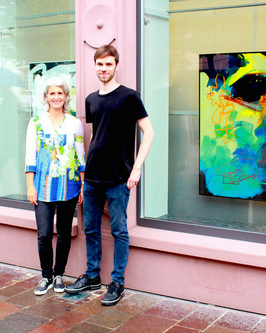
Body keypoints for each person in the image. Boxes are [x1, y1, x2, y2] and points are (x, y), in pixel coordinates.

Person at [65, 45, 154, 306]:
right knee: (90, 228)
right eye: (99, 64)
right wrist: (84, 173)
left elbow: (148, 132)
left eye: (108, 64)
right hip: (93, 177)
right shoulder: (91, 99)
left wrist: (136, 167)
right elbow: (97, 136)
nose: (103, 69)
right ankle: (93, 276)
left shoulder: (129, 97)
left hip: (119, 178)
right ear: (95, 66)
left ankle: (117, 282)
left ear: (116, 65)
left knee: (118, 230)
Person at [25, 77, 86, 296]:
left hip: (68, 187)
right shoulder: (36, 122)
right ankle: (46, 276)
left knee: (63, 233)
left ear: (66, 96)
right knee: (43, 234)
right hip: (42, 187)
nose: (56, 97)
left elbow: (80, 156)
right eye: (52, 93)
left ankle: (59, 275)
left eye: (60, 93)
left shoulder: (74, 123)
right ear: (46, 97)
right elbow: (30, 156)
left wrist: (82, 185)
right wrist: (30, 186)